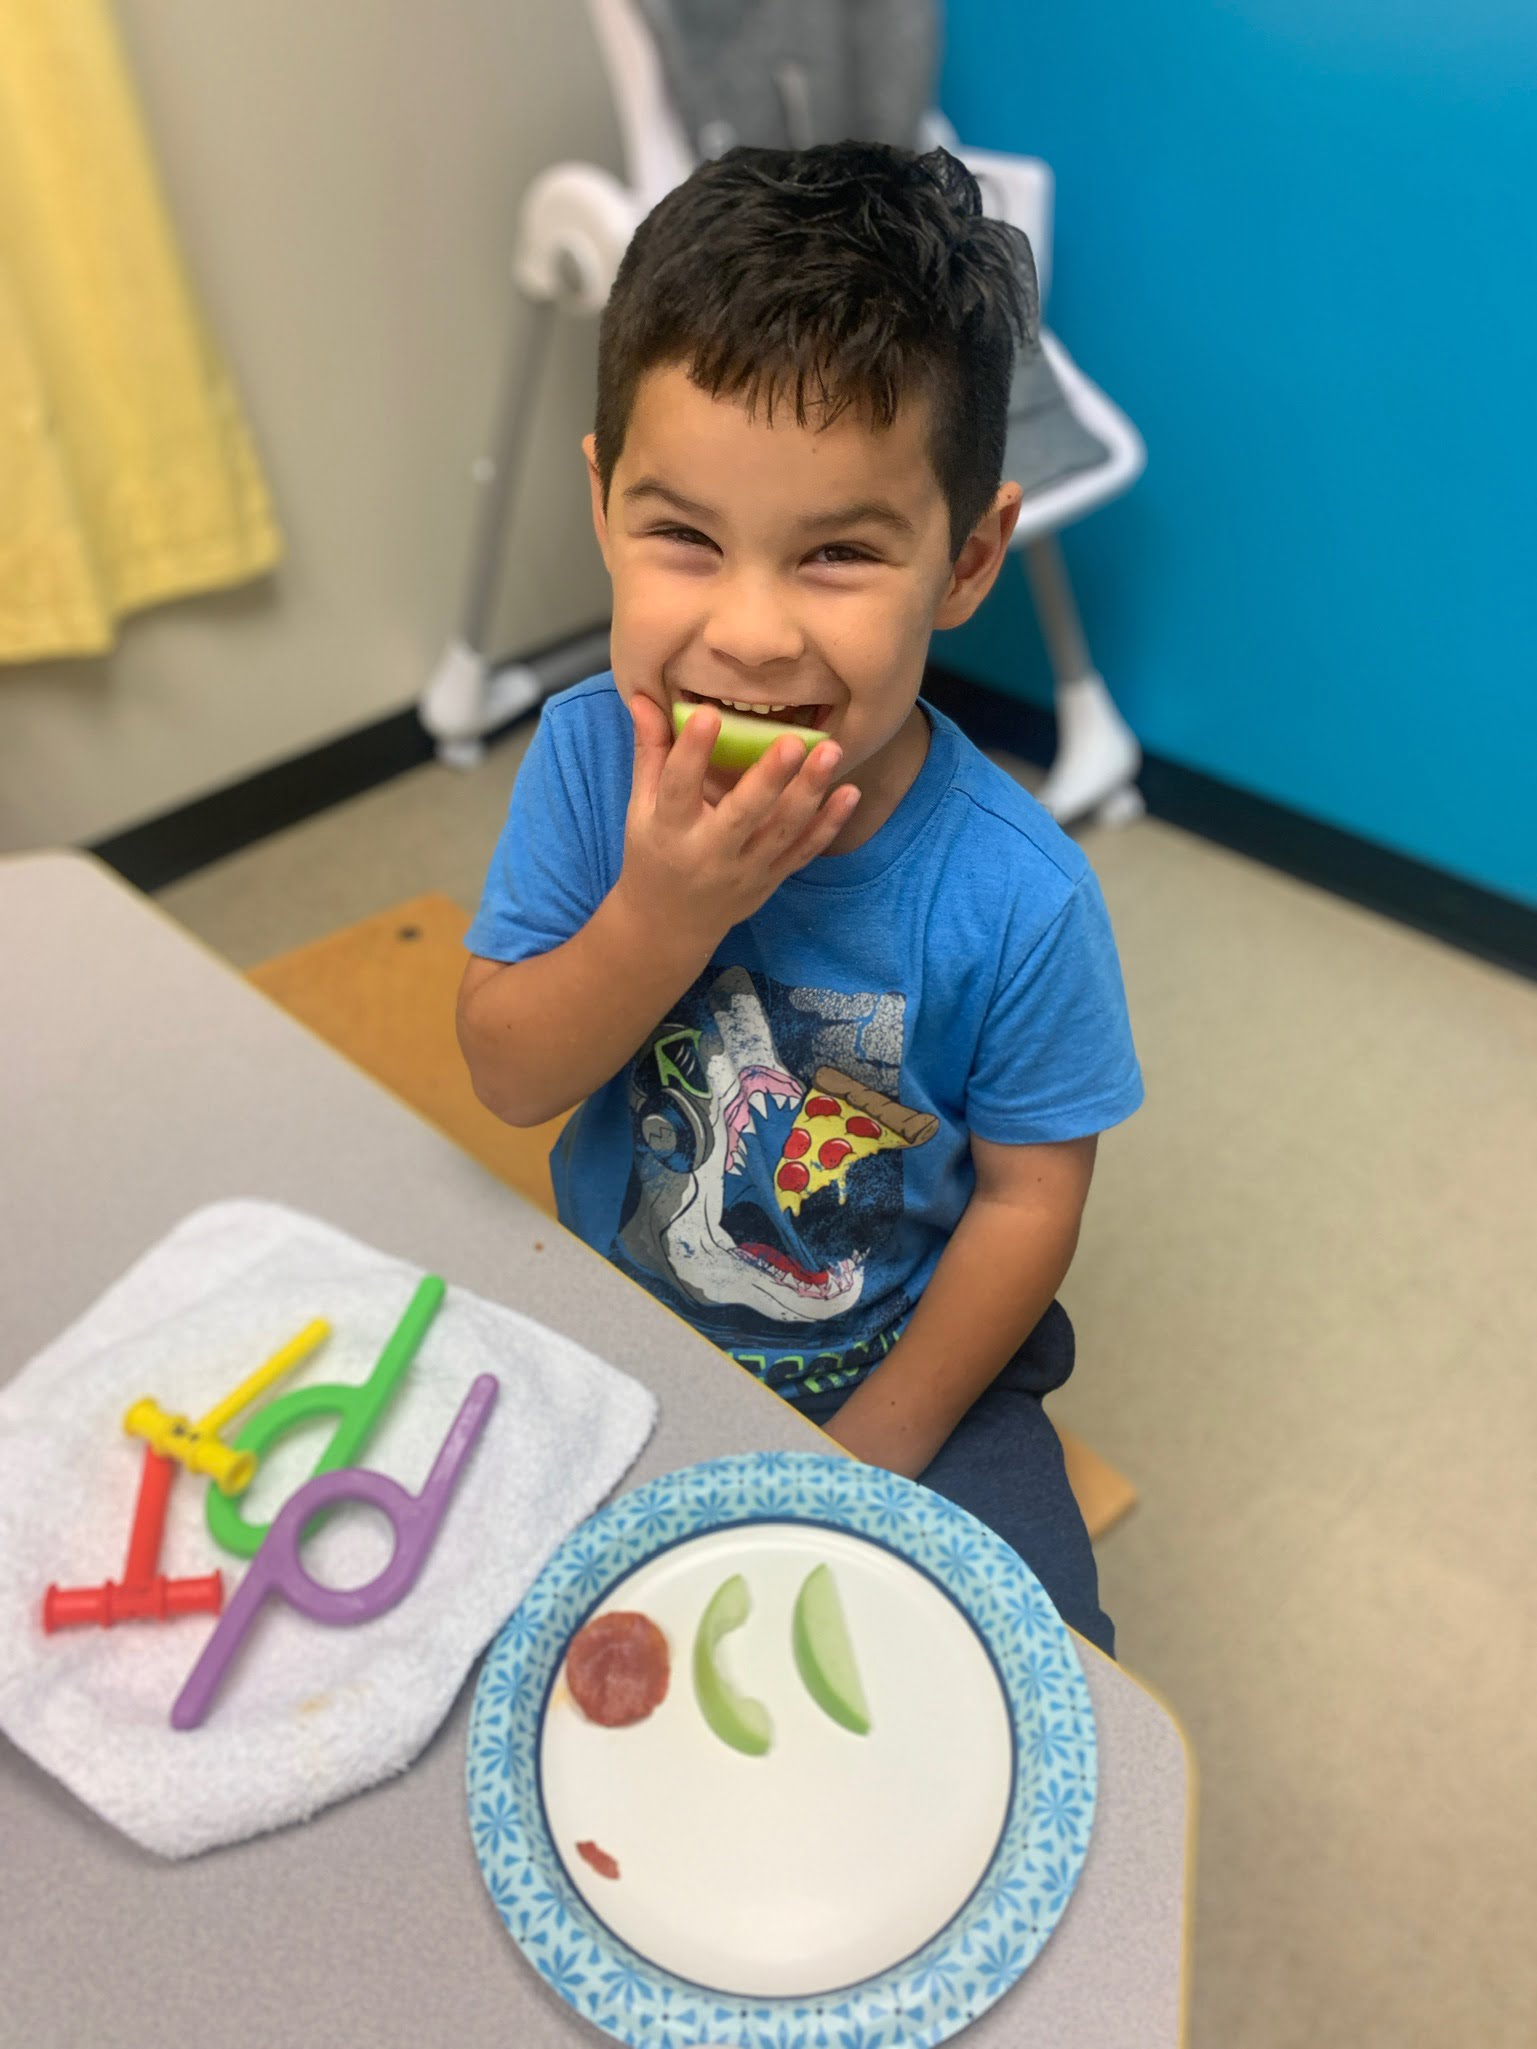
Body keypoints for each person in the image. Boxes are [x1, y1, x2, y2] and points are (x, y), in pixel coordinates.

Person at [458, 141, 1142, 1655]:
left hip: (912, 1363)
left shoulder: (1019, 898)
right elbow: (509, 1075)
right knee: (500, 1642)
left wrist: (876, 1447)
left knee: (1037, 1674)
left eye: (837, 551)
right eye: (683, 535)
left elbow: (1032, 1198)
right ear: (600, 500)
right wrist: (661, 910)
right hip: (618, 1323)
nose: (751, 635)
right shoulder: (590, 765)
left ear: (964, 561)